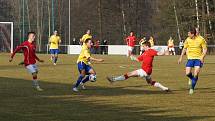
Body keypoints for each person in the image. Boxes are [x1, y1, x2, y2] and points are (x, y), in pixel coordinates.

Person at [178, 28, 207, 94]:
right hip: (190, 59)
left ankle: (192, 88)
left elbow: (205, 49)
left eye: (189, 34)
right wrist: (180, 58)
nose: (188, 35)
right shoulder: (187, 40)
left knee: (196, 73)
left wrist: (202, 57)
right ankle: (192, 78)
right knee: (187, 73)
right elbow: (184, 49)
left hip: (198, 59)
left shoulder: (201, 39)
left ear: (192, 34)